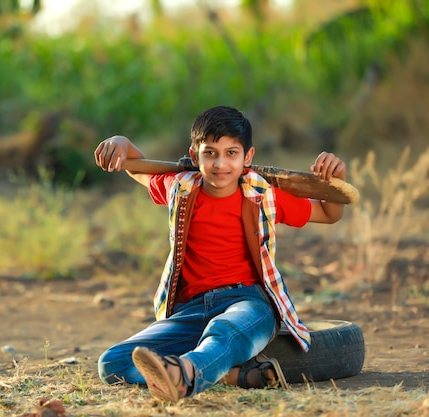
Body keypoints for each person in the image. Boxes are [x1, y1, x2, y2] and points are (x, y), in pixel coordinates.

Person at [93, 105, 346, 402]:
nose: (220, 164)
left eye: (231, 153)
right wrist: (121, 142)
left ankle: (185, 373)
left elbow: (329, 212)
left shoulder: (262, 195)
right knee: (113, 363)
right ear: (194, 154)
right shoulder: (181, 189)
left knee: (224, 330)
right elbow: (137, 167)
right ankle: (230, 375)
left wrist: (335, 176)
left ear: (247, 157)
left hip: (248, 304)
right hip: (191, 311)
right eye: (210, 153)